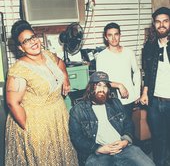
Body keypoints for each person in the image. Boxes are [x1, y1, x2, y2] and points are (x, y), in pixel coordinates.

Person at [5, 20, 78, 165]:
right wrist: (27, 128)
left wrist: (66, 79)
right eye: (26, 41)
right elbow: (12, 103)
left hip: (57, 114)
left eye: (33, 37)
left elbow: (60, 63)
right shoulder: (19, 69)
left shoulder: (48, 55)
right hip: (35, 121)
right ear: (20, 47)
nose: (33, 42)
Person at [69, 71, 155, 166]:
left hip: (123, 148)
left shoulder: (115, 103)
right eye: (98, 85)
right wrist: (99, 149)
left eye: (105, 86)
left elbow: (128, 124)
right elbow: (77, 138)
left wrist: (125, 141)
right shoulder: (78, 110)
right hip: (98, 153)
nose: (102, 89)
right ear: (91, 87)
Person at [140, 7, 170, 166]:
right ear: (154, 24)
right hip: (155, 102)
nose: (162, 25)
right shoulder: (150, 46)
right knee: (158, 140)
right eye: (158, 22)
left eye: (165, 21)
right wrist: (145, 93)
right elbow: (147, 74)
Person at [96, 22, 141, 118]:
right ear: (105, 37)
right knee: (115, 129)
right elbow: (101, 80)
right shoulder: (101, 56)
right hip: (111, 99)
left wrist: (137, 93)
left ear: (120, 35)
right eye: (110, 35)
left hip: (129, 98)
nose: (113, 38)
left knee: (128, 127)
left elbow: (137, 72)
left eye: (116, 34)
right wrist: (119, 85)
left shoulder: (129, 53)